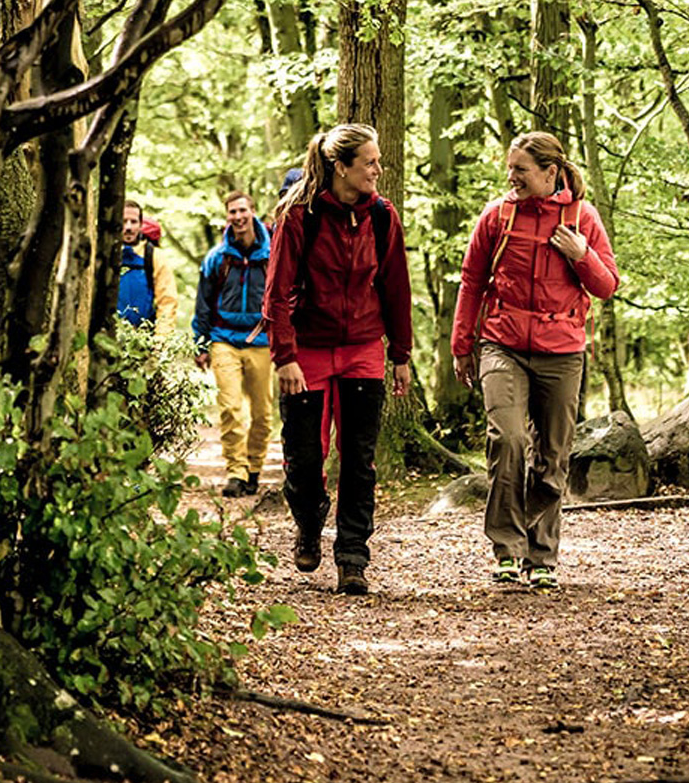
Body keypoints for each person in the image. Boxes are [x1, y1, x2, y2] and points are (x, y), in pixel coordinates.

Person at [450, 131, 620, 591]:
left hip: (562, 351)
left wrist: (582, 256)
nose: (512, 177)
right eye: (511, 169)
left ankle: (541, 554)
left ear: (550, 173)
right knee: (507, 440)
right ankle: (507, 548)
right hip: (501, 343)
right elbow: (471, 281)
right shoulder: (498, 215)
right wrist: (462, 344)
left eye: (521, 170)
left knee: (552, 458)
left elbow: (607, 286)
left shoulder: (582, 218)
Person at [263, 124, 413, 595]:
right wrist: (284, 356)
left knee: (360, 461)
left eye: (378, 161)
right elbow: (276, 291)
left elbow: (395, 287)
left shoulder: (382, 217)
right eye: (369, 162)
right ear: (340, 167)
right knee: (305, 460)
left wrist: (401, 354)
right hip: (307, 351)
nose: (377, 170)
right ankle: (308, 523)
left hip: (364, 348)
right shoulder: (299, 215)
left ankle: (352, 557)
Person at [192, 191, 272, 498]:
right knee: (230, 408)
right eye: (232, 212)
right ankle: (236, 472)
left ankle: (254, 468)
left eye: (242, 211)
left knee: (263, 413)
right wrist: (200, 343)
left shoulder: (271, 255)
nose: (238, 217)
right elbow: (203, 303)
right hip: (223, 339)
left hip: (261, 340)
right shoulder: (217, 258)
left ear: (252, 212)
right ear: (227, 217)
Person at [118, 198, 177, 337]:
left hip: (144, 339)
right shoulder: (104, 254)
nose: (128, 227)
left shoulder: (154, 256)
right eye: (124, 221)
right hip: (108, 339)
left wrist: (161, 340)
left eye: (133, 222)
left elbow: (167, 302)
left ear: (140, 225)